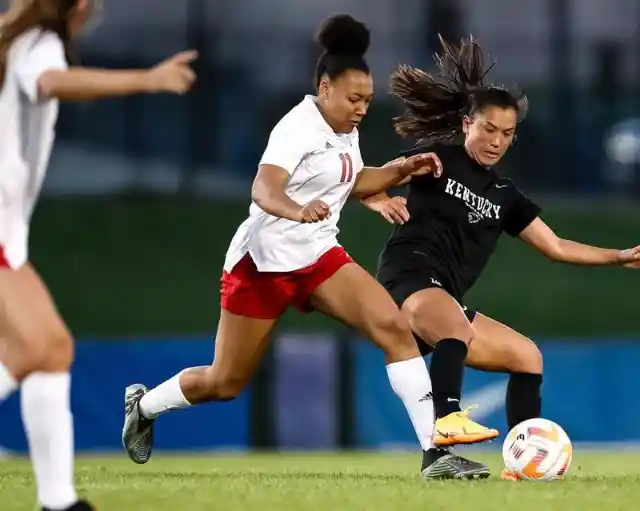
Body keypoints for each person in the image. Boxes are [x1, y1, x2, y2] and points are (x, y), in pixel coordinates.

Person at [122, 15, 490, 480]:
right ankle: (145, 406)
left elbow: (349, 179)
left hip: (318, 257)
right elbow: (263, 188)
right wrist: (297, 211)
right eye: (354, 99)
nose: (361, 109)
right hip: (263, 265)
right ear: (325, 87)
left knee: (394, 328)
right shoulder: (297, 127)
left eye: (368, 100)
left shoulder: (343, 129)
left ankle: (435, 455)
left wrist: (400, 169)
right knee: (225, 381)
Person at [361, 34, 640, 479]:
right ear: (467, 123)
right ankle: (447, 424)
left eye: (506, 133)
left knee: (526, 356)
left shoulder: (506, 197)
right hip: (410, 272)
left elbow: (556, 246)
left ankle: (523, 461)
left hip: (445, 294)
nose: (496, 140)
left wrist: (618, 256)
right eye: (488, 128)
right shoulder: (439, 159)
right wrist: (377, 198)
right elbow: (363, 181)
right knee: (453, 326)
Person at [0, 1, 198, 509]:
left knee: (47, 352)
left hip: (8, 232)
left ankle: (58, 501)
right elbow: (50, 83)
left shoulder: (16, 42)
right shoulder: (38, 45)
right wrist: (147, 79)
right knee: (45, 350)